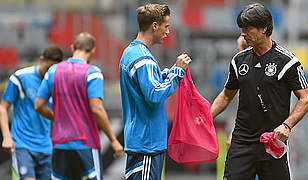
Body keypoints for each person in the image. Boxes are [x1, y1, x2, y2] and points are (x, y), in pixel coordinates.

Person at [211, 3, 308, 180]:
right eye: (242, 28)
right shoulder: (238, 60)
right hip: (242, 142)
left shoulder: (287, 61)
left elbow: (306, 99)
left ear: (264, 28)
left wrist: (287, 125)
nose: (243, 34)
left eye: (248, 29)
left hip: (272, 141)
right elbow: (226, 94)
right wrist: (206, 117)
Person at [34, 32, 123, 179]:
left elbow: (38, 105)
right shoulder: (93, 73)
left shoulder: (53, 71)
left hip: (60, 143)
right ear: (93, 50)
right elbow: (97, 109)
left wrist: (56, 119)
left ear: (72, 47)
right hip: (84, 143)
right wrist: (113, 140)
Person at [119, 4, 191, 180]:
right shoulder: (144, 59)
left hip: (141, 142)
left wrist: (165, 73)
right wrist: (177, 72)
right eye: (166, 26)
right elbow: (154, 94)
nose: (168, 31)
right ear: (154, 26)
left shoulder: (130, 52)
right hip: (147, 145)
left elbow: (146, 87)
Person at [0, 45, 63, 180]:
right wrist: (7, 136)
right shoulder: (20, 78)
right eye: (47, 68)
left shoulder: (57, 82)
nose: (49, 73)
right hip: (22, 145)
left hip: (46, 147)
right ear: (41, 60)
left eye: (53, 70)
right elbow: (3, 107)